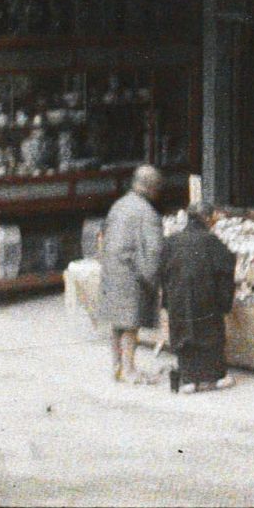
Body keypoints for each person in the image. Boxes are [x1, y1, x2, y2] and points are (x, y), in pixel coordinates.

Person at [159, 203, 238, 394]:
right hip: (206, 298)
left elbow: (162, 271)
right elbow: (226, 269)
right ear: (207, 218)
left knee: (184, 335)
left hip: (178, 298)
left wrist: (167, 299)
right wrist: (225, 301)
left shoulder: (171, 241)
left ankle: (188, 379)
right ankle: (212, 378)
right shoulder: (211, 241)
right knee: (209, 337)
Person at [99, 165, 164, 385]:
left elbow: (104, 236)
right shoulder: (148, 213)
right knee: (130, 325)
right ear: (152, 187)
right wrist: (153, 280)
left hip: (112, 270)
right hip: (132, 274)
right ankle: (129, 369)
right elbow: (154, 251)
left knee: (117, 324)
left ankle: (117, 366)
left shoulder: (118, 206)